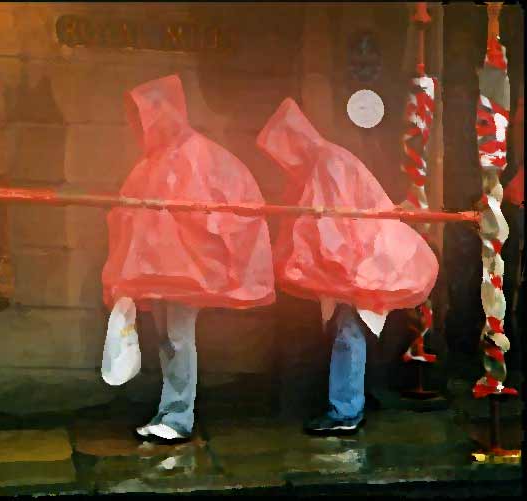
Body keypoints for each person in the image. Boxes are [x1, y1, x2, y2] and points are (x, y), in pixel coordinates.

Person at [102, 75, 275, 443]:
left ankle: (179, 417)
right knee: (168, 339)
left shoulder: (193, 154)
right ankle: (170, 411)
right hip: (167, 270)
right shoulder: (160, 158)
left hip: (183, 271)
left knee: (177, 338)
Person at [256, 98, 438, 434]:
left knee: (348, 331)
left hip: (359, 262)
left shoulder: (328, 163)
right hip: (360, 259)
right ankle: (351, 402)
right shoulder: (327, 160)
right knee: (351, 330)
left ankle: (346, 411)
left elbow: (334, 225)